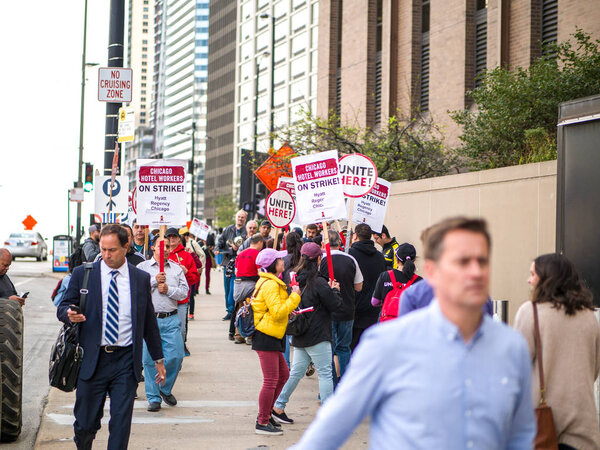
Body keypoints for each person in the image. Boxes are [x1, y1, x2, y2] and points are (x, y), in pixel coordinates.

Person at [292, 217, 535, 449]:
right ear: (433, 270)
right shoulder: (385, 344)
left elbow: (520, 432)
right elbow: (334, 424)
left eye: (481, 261)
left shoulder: (511, 346)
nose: (474, 272)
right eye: (461, 261)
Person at [56, 224, 165, 449]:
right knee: (86, 423)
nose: (106, 255)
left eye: (112, 250)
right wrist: (68, 314)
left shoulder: (140, 278)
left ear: (126, 247)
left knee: (121, 423)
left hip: (125, 362)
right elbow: (63, 305)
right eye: (103, 249)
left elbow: (148, 322)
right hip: (92, 360)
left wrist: (158, 358)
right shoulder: (84, 274)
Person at [514, 253, 600, 450]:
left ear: (547, 278)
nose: (528, 280)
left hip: (542, 428)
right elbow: (594, 368)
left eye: (532, 274)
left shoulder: (531, 312)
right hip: (583, 431)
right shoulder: (589, 316)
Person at [272, 243, 342, 424]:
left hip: (299, 333)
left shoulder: (293, 279)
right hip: (318, 334)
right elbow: (334, 305)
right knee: (325, 373)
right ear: (319, 259)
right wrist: (335, 290)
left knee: (296, 372)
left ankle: (278, 406)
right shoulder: (318, 282)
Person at [251, 248, 301, 435]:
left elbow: (277, 309)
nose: (283, 261)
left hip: (273, 333)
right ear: (273, 264)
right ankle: (262, 422)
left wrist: (288, 308)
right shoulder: (270, 284)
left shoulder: (270, 282)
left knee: (283, 376)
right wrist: (295, 297)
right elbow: (278, 311)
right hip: (267, 335)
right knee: (271, 380)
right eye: (280, 259)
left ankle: (267, 415)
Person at [138, 238, 188, 411]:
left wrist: (169, 290)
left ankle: (164, 389)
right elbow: (135, 290)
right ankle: (153, 398)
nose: (166, 249)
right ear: (153, 247)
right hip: (149, 320)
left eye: (168, 246)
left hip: (171, 319)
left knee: (176, 357)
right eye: (162, 246)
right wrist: (153, 281)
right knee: (149, 360)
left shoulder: (176, 269)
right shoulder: (142, 268)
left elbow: (184, 292)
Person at [319, 230, 363, 385]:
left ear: (325, 243)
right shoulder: (351, 260)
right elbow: (359, 287)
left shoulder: (322, 260)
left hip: (327, 312)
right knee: (344, 349)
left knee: (328, 351)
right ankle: (346, 386)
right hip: (347, 310)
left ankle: (330, 386)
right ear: (339, 242)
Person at [348, 223, 386, 350]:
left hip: (355, 307)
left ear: (355, 236)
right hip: (373, 308)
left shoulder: (350, 254)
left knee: (352, 348)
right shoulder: (380, 257)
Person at [165, 228, 199, 349]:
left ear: (179, 239)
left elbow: (195, 278)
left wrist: (186, 272)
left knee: (181, 330)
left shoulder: (187, 255)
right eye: (169, 236)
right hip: (164, 300)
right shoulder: (161, 254)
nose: (172, 239)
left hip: (181, 301)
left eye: (174, 236)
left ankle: (180, 349)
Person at [229, 234, 264, 343]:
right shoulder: (257, 254)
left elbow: (236, 271)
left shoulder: (240, 254)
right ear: (260, 243)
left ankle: (238, 335)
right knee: (251, 309)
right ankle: (249, 336)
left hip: (238, 284)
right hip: (251, 284)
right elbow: (259, 272)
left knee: (239, 309)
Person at [371, 242, 423, 313]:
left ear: (396, 260)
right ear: (414, 261)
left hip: (388, 321)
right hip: (409, 320)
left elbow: (374, 302)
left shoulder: (385, 276)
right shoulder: (419, 281)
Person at [217, 210, 248, 320]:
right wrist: (229, 249)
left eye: (242, 217)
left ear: (245, 219)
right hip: (228, 263)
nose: (240, 219)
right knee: (227, 287)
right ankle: (229, 310)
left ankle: (232, 310)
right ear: (236, 217)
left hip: (240, 264)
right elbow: (219, 244)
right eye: (239, 216)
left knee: (233, 288)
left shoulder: (246, 231)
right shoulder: (228, 229)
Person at [180, 227, 205, 320]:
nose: (186, 237)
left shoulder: (192, 243)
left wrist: (200, 269)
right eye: (184, 235)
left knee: (191, 295)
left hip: (191, 274)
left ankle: (191, 313)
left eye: (187, 234)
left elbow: (202, 256)